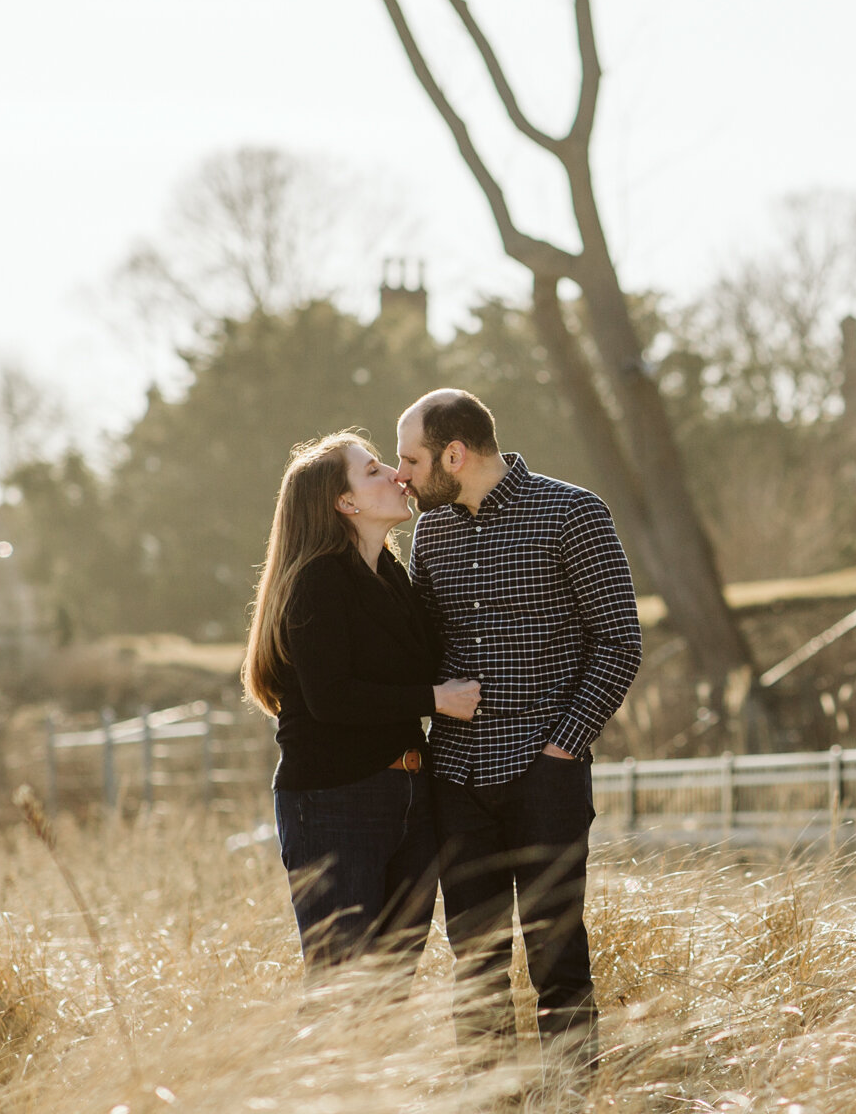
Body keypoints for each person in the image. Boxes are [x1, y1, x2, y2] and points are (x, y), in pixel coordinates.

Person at [394, 389, 643, 1076]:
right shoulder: (432, 531)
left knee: (557, 956)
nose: (403, 474)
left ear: (455, 453)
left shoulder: (573, 512)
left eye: (411, 458)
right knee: (474, 963)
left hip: (545, 774)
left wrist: (563, 746)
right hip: (456, 779)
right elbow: (423, 645)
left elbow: (619, 642)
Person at [241, 433, 480, 974]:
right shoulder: (317, 581)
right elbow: (332, 699)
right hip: (334, 803)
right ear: (344, 502)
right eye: (374, 471)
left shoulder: (392, 575)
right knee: (341, 987)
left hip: (408, 796)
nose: (396, 476)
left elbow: (425, 660)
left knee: (390, 991)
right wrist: (434, 701)